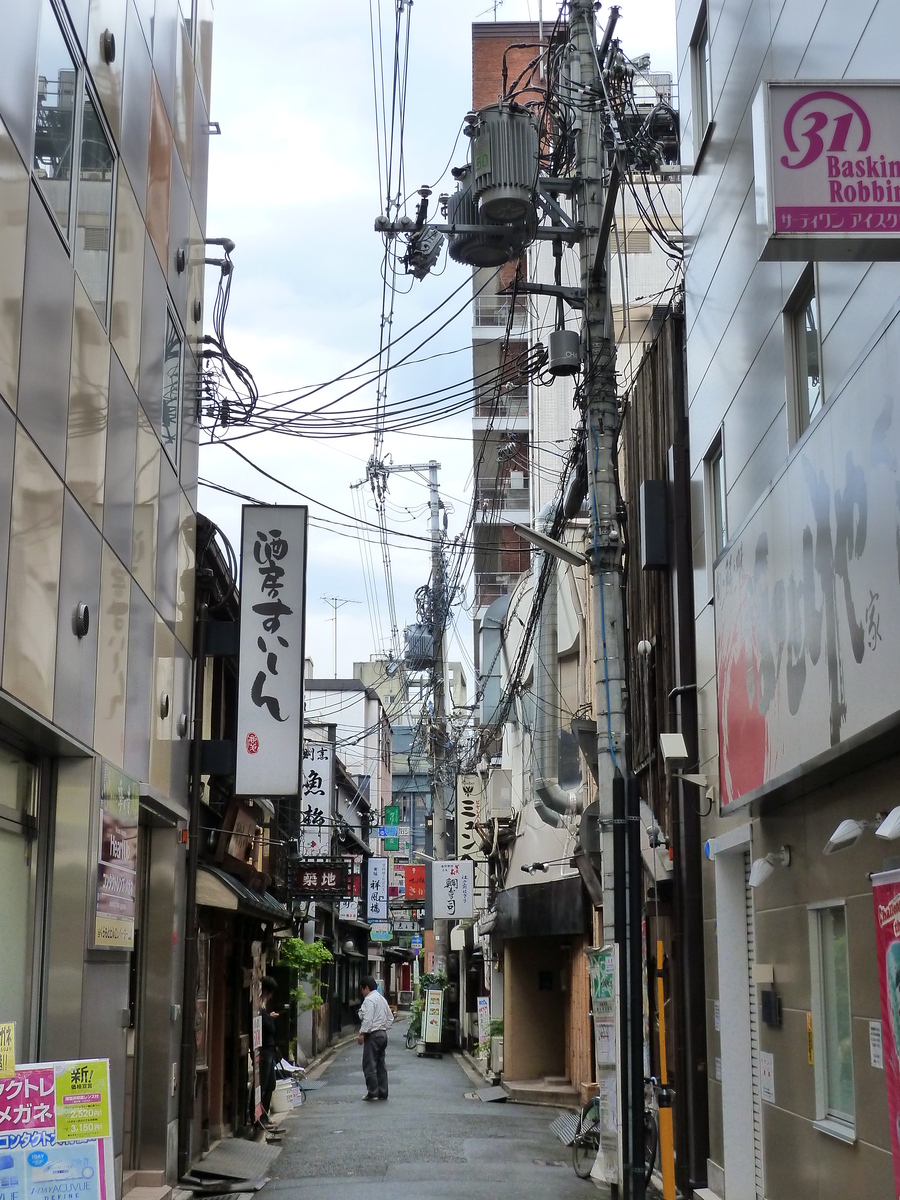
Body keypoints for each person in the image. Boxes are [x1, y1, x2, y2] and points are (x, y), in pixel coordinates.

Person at [357, 975, 393, 1101]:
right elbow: (390, 1017)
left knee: (369, 1064)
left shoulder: (369, 1000)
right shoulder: (381, 998)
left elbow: (368, 1019)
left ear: (366, 988)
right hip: (383, 1033)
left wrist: (362, 1033)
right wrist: (383, 1027)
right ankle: (383, 1091)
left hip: (373, 1035)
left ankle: (372, 1091)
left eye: (362, 989)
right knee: (380, 1064)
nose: (362, 993)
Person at [257, 976, 280, 1129]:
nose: (270, 996)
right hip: (265, 1050)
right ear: (266, 991)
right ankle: (260, 1118)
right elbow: (268, 1027)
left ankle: (264, 1116)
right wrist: (270, 1019)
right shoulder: (259, 1007)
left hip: (270, 1050)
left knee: (270, 1084)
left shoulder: (262, 1007)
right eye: (270, 993)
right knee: (264, 1085)